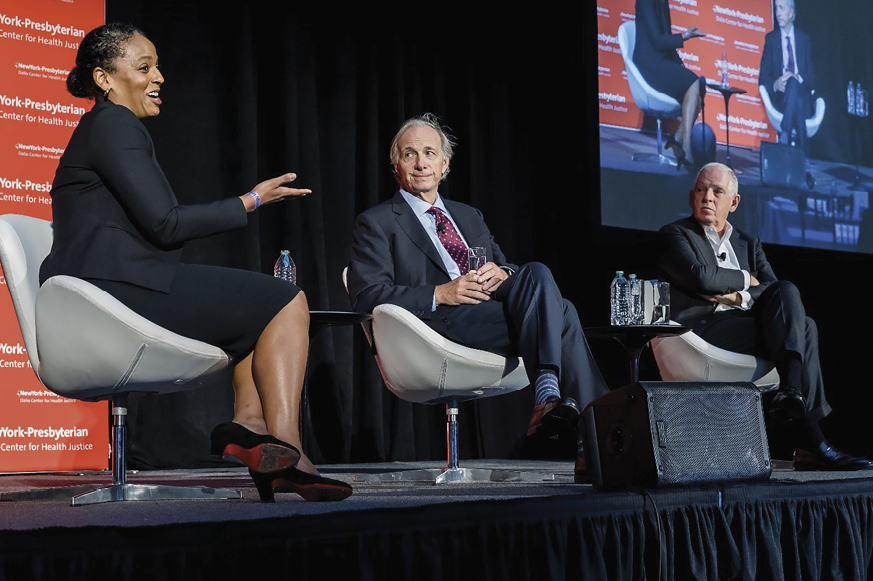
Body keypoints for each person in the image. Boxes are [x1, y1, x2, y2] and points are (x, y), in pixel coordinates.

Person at [40, 23, 351, 502]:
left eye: (158, 66)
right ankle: (288, 449)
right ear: (104, 78)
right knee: (287, 299)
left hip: (108, 286)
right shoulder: (113, 124)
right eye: (145, 67)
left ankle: (249, 429)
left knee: (255, 311)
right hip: (113, 289)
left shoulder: (107, 128)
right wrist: (249, 200)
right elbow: (165, 223)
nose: (159, 77)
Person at [347, 113, 610, 479]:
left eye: (429, 153)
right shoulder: (378, 222)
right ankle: (600, 439)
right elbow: (367, 296)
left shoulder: (468, 216)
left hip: (491, 313)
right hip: (436, 327)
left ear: (445, 164)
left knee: (534, 271)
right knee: (561, 312)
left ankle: (554, 401)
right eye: (409, 154)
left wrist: (506, 273)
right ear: (396, 165)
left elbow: (507, 273)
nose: (421, 163)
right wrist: (442, 292)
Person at [658, 162, 872, 471]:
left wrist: (736, 296)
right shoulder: (675, 234)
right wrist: (746, 281)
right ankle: (811, 436)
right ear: (692, 197)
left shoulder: (748, 242)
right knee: (802, 327)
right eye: (701, 190)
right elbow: (702, 277)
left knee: (797, 309)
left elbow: (772, 288)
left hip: (744, 326)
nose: (707, 197)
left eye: (717, 191)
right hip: (704, 331)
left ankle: (795, 399)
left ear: (734, 202)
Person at [633, 0, 706, 169]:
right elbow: (658, 41)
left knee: (699, 85)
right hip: (649, 63)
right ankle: (685, 146)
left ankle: (679, 137)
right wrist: (684, 36)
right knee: (693, 83)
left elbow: (665, 37)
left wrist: (678, 63)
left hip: (661, 60)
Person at [759, 0, 816, 154]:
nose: (778, 13)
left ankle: (784, 134)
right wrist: (775, 84)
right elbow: (763, 76)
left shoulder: (804, 40)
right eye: (776, 8)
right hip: (781, 98)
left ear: (791, 13)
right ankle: (804, 155)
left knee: (793, 83)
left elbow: (812, 78)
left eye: (782, 8)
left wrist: (797, 78)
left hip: (802, 94)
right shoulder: (771, 40)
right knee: (792, 91)